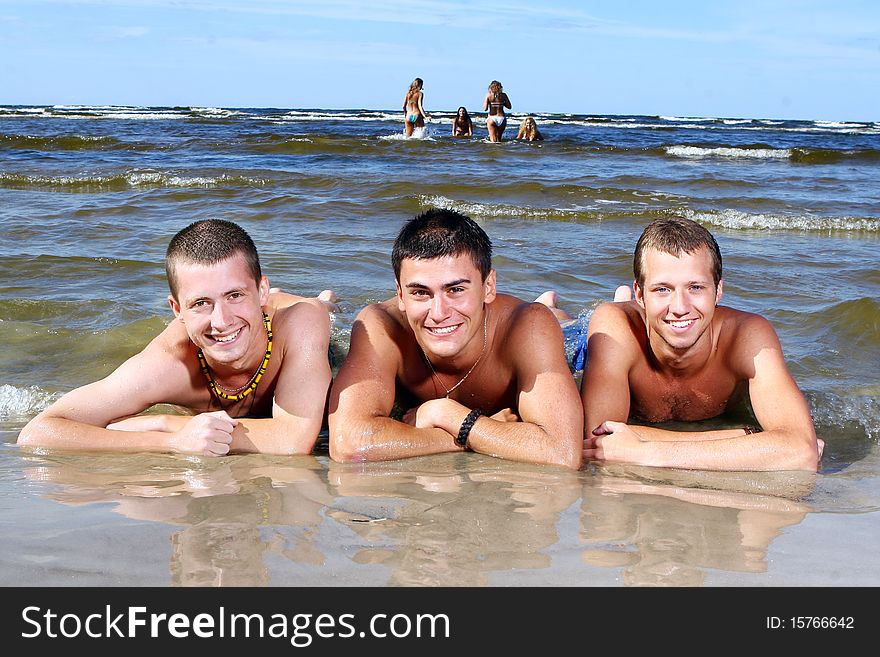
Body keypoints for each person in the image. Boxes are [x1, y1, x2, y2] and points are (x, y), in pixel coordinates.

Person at [17, 219, 334, 456]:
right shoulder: (169, 361)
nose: (219, 321)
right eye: (200, 303)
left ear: (259, 289)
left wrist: (164, 422)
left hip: (287, 318)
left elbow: (293, 440)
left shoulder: (301, 325)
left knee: (318, 307)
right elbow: (39, 432)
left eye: (234, 294)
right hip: (257, 314)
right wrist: (170, 441)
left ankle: (320, 299)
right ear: (176, 308)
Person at [328, 208, 582, 469]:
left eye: (456, 290)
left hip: (554, 331)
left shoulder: (526, 326)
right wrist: (467, 433)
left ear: (488, 286)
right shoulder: (383, 324)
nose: (439, 314)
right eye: (420, 292)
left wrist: (444, 414)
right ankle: (328, 302)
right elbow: (348, 444)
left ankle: (551, 305)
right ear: (400, 295)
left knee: (560, 322)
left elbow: (561, 452)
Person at [575, 216, 822, 472]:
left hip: (653, 322)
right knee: (569, 328)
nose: (681, 307)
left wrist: (649, 452)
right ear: (640, 294)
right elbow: (599, 441)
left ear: (718, 290)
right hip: (604, 337)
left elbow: (802, 451)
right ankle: (577, 304)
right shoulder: (616, 326)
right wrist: (746, 435)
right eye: (662, 289)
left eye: (695, 287)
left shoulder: (747, 336)